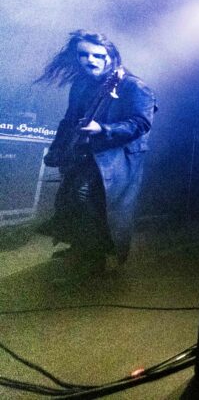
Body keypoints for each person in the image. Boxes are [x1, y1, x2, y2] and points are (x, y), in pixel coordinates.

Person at [36, 30, 156, 276]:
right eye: (84, 55)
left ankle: (93, 259)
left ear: (111, 56)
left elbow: (141, 123)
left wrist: (103, 129)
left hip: (114, 157)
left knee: (87, 199)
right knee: (70, 199)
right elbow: (69, 120)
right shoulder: (81, 85)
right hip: (84, 152)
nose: (90, 60)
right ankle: (80, 247)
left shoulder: (133, 86)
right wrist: (57, 149)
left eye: (98, 55)